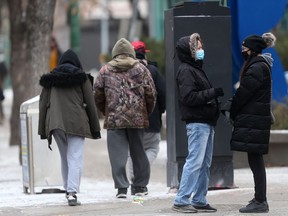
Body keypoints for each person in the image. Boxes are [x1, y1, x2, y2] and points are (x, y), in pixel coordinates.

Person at [94, 38, 156, 198]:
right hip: (137, 118)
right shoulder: (141, 69)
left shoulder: (105, 70)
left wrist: (105, 111)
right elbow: (151, 93)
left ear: (114, 53)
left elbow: (97, 94)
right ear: (131, 53)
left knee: (117, 154)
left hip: (115, 118)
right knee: (139, 152)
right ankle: (140, 186)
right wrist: (145, 112)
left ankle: (122, 188)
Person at [38, 49, 101, 206]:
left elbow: (43, 104)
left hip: (56, 124)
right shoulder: (82, 79)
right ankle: (71, 192)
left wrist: (42, 130)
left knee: (65, 156)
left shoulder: (50, 80)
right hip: (77, 123)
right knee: (75, 157)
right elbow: (91, 105)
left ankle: (68, 189)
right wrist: (95, 128)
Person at [172, 33, 224, 213]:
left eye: (201, 47)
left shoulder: (195, 68)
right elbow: (189, 97)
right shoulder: (187, 70)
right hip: (197, 123)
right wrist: (212, 93)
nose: (202, 50)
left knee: (204, 164)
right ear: (191, 51)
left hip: (206, 121)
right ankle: (181, 199)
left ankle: (199, 199)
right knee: (195, 161)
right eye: (199, 48)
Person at [226, 32, 276, 213]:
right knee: (255, 160)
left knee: (256, 161)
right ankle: (259, 198)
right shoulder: (259, 65)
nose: (242, 51)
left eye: (244, 48)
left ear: (252, 49)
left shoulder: (256, 67)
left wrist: (232, 108)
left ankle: (261, 201)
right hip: (255, 118)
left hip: (254, 119)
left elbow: (245, 93)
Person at [126, 41, 166, 191]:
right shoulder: (153, 71)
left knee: (132, 152)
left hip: (131, 120)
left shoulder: (125, 71)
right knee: (153, 149)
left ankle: (134, 182)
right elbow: (162, 94)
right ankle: (140, 179)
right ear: (145, 53)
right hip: (152, 119)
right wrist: (160, 110)